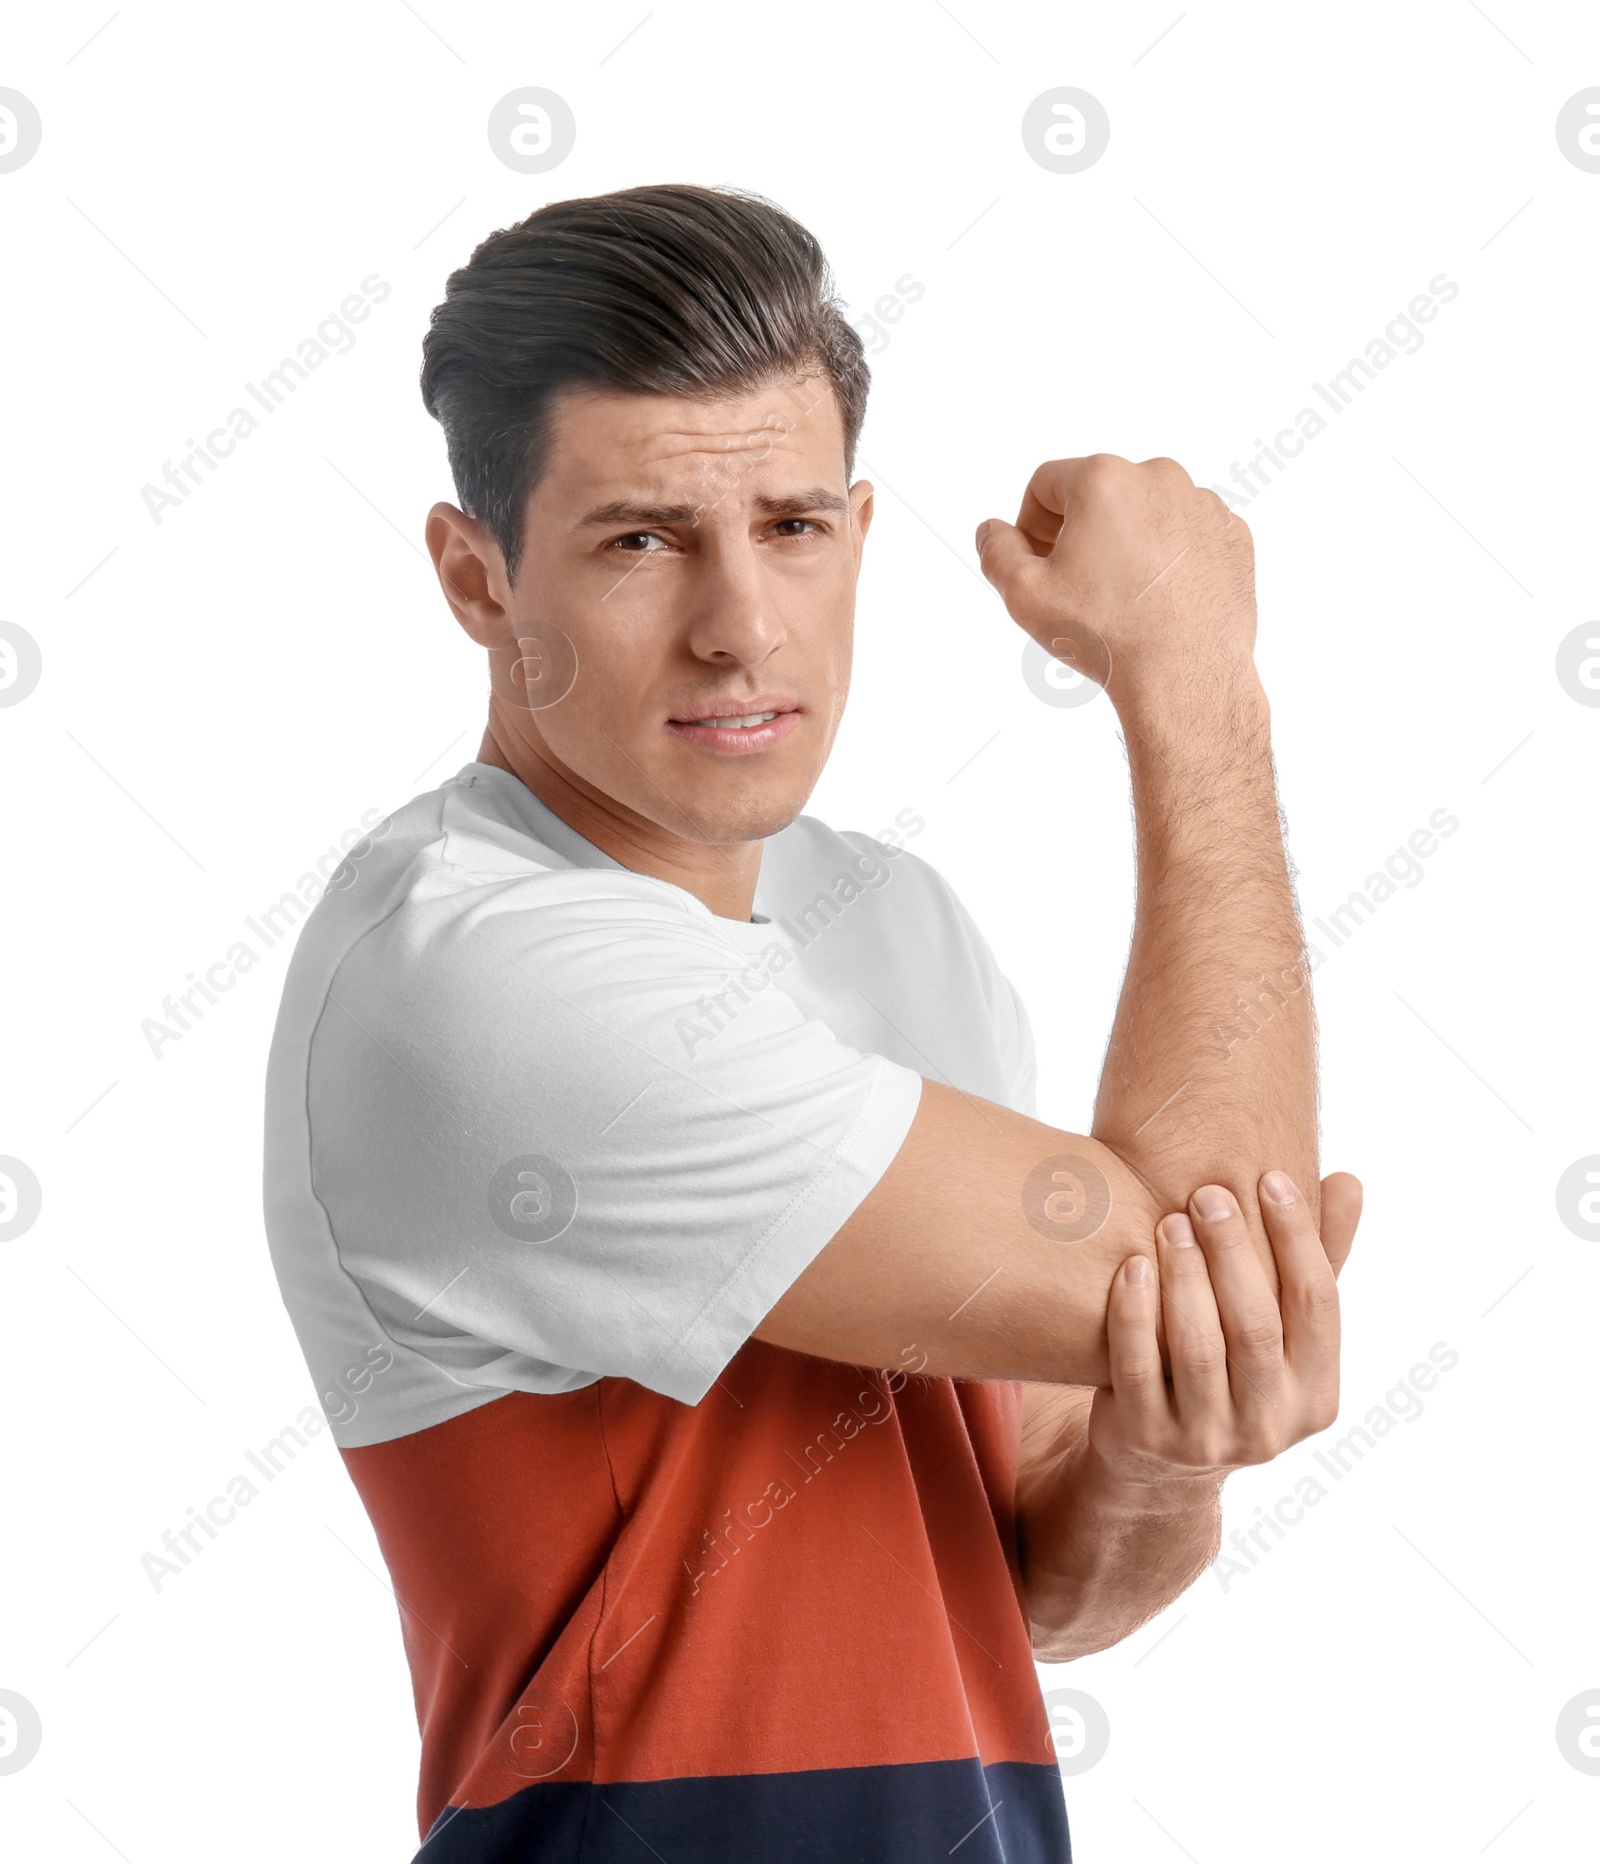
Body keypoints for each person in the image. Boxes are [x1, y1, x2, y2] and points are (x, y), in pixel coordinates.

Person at [262, 183, 1361, 1862]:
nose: (738, 629)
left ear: (858, 529)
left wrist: (1166, 1445)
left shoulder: (895, 927)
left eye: (788, 526)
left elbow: (1033, 1578)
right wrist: (1194, 679)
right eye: (640, 539)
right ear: (475, 578)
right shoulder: (476, 972)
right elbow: (1190, 1252)